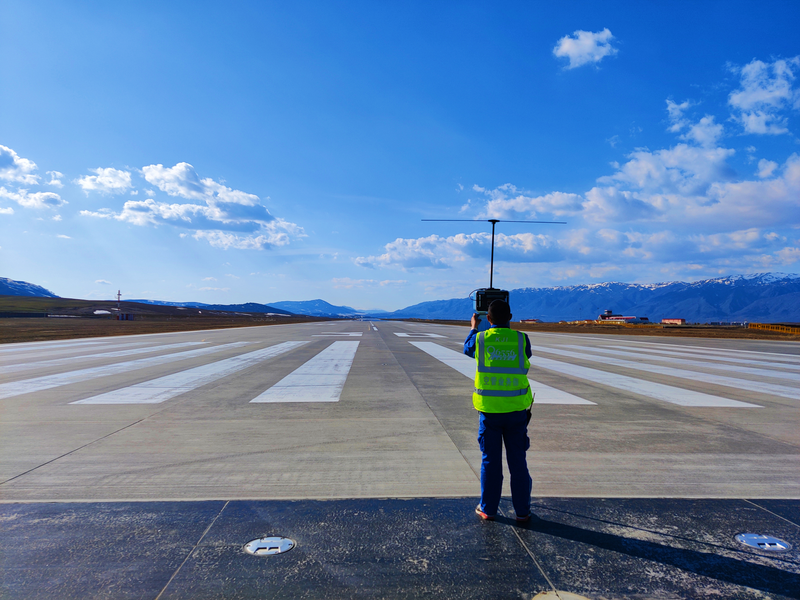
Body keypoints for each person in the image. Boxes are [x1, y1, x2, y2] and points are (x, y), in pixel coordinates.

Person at [463, 299, 533, 523]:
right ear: (510, 317)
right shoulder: (522, 339)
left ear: (488, 319)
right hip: (516, 411)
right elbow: (527, 355)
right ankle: (522, 511)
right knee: (518, 462)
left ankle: (488, 509)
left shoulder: (480, 339)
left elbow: (467, 349)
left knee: (490, 462)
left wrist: (474, 327)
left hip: (490, 412)